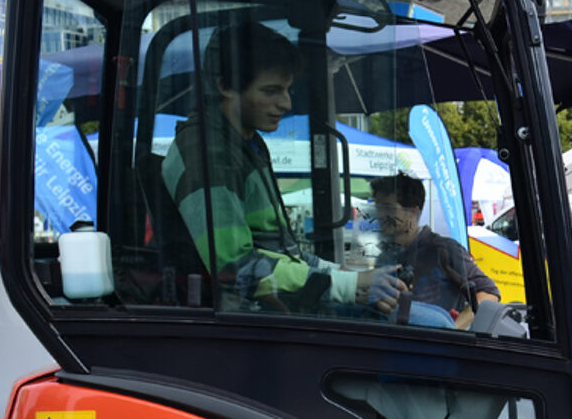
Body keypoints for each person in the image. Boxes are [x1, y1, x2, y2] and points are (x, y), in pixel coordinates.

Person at [163, 22, 404, 314]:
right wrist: (345, 285)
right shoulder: (208, 155)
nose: (287, 103)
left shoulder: (246, 143)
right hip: (256, 316)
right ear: (225, 86)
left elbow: (285, 253)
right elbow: (233, 268)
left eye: (287, 90)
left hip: (280, 304)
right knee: (431, 323)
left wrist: (348, 273)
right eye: (271, 91)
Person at [370, 172, 500, 328]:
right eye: (378, 208)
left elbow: (488, 293)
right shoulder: (385, 257)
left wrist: (452, 331)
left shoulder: (442, 249)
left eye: (389, 209)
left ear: (413, 212)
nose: (380, 216)